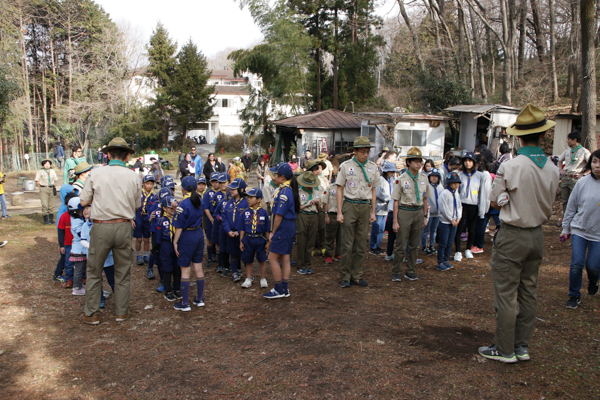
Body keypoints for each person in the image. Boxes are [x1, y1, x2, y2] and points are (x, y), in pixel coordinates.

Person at [478, 104, 559, 363]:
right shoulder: (553, 167)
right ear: (543, 136)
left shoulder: (511, 166)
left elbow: (493, 201)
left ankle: (504, 349)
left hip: (513, 234)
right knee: (529, 292)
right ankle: (522, 346)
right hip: (537, 235)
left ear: (518, 136)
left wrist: (503, 197)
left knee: (506, 293)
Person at [80, 137, 142, 325]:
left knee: (94, 270)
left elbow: (83, 201)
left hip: (100, 226)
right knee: (122, 271)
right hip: (124, 226)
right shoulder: (133, 175)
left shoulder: (96, 173)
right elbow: (137, 205)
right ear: (127, 155)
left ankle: (92, 313)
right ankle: (121, 312)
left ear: (108, 154)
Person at [336, 137, 379, 288]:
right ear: (354, 151)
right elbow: (339, 188)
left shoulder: (373, 167)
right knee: (347, 245)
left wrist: (373, 211)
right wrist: (339, 212)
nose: (365, 155)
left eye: (367, 152)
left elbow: (373, 190)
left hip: (365, 207)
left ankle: (357, 275)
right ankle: (345, 276)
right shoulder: (346, 166)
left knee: (361, 245)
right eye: (362, 152)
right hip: (350, 205)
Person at [560, 149, 600, 309]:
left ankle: (593, 279)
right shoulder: (582, 183)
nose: (597, 166)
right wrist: (565, 228)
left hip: (598, 234)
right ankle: (574, 295)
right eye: (595, 162)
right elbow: (571, 207)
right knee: (577, 264)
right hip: (579, 230)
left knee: (593, 266)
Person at [391, 147, 432, 282]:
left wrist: (425, 216)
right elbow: (396, 201)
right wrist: (395, 221)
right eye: (415, 161)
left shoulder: (424, 179)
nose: (418, 164)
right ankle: (396, 271)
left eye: (420, 161)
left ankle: (410, 270)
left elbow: (425, 198)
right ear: (408, 162)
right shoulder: (401, 179)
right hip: (405, 211)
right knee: (401, 244)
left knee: (415, 245)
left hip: (418, 212)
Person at [263, 163, 299, 299]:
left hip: (283, 226)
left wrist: (272, 232)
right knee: (285, 257)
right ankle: (284, 288)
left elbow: (278, 215)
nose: (274, 177)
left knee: (272, 257)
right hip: (288, 226)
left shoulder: (284, 191)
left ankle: (278, 289)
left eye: (275, 175)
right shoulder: (287, 189)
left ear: (282, 177)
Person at [172, 176, 206, 311]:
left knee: (185, 269)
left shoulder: (183, 204)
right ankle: (200, 298)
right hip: (198, 234)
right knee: (198, 267)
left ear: (183, 188)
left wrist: (175, 242)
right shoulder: (199, 200)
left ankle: (185, 303)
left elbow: (179, 226)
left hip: (187, 236)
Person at [453, 151, 484, 261]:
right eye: (465, 161)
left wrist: (482, 206)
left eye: (470, 161)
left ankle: (468, 249)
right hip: (462, 204)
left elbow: (482, 192)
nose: (467, 163)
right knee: (459, 227)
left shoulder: (480, 176)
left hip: (474, 205)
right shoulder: (459, 175)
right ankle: (457, 251)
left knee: (472, 227)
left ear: (474, 162)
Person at [239, 187, 271, 288]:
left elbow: (267, 230)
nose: (248, 199)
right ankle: (248, 278)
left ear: (258, 200)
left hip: (260, 239)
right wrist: (241, 241)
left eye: (251, 197)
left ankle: (263, 278)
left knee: (262, 259)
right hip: (248, 239)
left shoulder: (264, 213)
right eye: (247, 197)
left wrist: (268, 242)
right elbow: (242, 229)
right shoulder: (245, 212)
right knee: (248, 260)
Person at [558, 131, 591, 218]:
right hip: (566, 178)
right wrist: (561, 170)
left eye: (569, 139)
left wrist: (584, 174)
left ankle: (575, 219)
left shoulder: (584, 151)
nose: (567, 141)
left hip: (576, 179)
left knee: (575, 200)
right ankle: (565, 219)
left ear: (575, 140)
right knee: (565, 200)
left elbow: (591, 164)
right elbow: (560, 160)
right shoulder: (567, 150)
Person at [222, 178, 248, 283]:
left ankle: (249, 274)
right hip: (231, 233)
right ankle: (234, 272)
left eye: (234, 189)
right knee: (233, 253)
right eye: (231, 188)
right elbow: (224, 218)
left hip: (242, 233)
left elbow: (247, 219)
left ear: (241, 190)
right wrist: (228, 230)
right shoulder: (229, 203)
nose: (231, 190)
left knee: (244, 253)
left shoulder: (246, 203)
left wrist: (240, 231)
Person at [296, 171, 322, 275]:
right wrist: (307, 204)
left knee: (311, 240)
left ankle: (308, 264)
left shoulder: (316, 192)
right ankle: (301, 265)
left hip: (314, 216)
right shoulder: (298, 192)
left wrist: (317, 203)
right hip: (303, 215)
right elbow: (297, 208)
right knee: (302, 239)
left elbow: (319, 209)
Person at [157, 195, 182, 302]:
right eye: (170, 208)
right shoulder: (161, 221)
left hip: (177, 245)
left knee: (177, 268)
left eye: (174, 208)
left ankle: (177, 288)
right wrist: (158, 248)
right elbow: (158, 237)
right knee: (167, 268)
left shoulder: (179, 218)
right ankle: (168, 290)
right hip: (166, 245)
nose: (173, 210)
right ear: (164, 208)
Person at [436, 172, 462, 271]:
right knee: (443, 242)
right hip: (445, 222)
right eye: (453, 183)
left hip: (454, 222)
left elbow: (459, 206)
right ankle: (440, 262)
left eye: (457, 183)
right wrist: (451, 219)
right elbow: (443, 208)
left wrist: (458, 217)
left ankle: (446, 260)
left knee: (450, 242)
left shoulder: (456, 193)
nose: (455, 185)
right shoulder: (445, 193)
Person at [369, 162, 394, 255]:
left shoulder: (390, 181)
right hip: (379, 207)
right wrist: (389, 198)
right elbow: (379, 194)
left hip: (385, 208)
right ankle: (373, 246)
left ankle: (377, 245)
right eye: (390, 171)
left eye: (393, 171)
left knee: (381, 229)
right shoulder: (380, 180)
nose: (392, 173)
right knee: (376, 227)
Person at [54, 191, 78, 285]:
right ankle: (68, 279)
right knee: (67, 262)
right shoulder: (64, 217)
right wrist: (61, 245)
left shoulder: (80, 216)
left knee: (81, 261)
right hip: (67, 244)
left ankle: (82, 277)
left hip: (78, 243)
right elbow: (60, 231)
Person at [134, 175, 158, 265]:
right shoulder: (138, 194)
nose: (149, 186)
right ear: (143, 183)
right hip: (138, 216)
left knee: (147, 239)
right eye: (147, 183)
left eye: (151, 184)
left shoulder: (154, 196)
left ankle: (146, 255)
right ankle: (138, 255)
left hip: (148, 218)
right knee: (139, 239)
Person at [68, 197, 87, 296]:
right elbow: (81, 234)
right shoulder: (77, 221)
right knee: (79, 269)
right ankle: (77, 287)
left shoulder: (77, 218)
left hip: (81, 248)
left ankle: (79, 285)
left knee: (81, 268)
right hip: (79, 249)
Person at [421, 168, 443, 255]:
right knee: (426, 230)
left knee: (434, 230)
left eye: (436, 176)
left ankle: (431, 245)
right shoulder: (427, 186)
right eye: (432, 176)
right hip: (429, 213)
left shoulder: (440, 187)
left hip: (437, 213)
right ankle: (424, 246)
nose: (434, 178)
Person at [322, 181, 342, 264]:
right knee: (330, 236)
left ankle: (338, 254)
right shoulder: (330, 187)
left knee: (341, 236)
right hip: (332, 214)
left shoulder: (347, 186)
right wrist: (326, 215)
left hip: (343, 215)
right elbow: (325, 201)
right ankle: (328, 255)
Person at [35, 158, 59, 224]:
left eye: (48, 164)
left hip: (51, 188)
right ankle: (46, 219)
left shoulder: (52, 171)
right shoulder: (40, 172)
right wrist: (41, 187)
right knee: (44, 204)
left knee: (51, 204)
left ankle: (51, 219)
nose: (47, 165)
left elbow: (55, 179)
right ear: (43, 165)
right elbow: (37, 180)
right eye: (45, 164)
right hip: (44, 188)